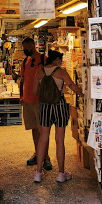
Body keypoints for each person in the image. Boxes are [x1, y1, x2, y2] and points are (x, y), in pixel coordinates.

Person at [33, 50, 84, 183]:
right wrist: (83, 93)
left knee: (43, 138)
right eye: (60, 60)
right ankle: (61, 173)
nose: (60, 63)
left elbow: (34, 91)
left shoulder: (39, 72)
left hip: (44, 106)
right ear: (56, 60)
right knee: (59, 139)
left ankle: (38, 172)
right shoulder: (61, 72)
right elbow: (72, 87)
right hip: (59, 106)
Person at [20, 37, 52, 171]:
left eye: (26, 47)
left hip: (41, 102)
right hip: (27, 101)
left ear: (33, 45)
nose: (25, 50)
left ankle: (46, 156)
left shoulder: (44, 59)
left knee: (43, 130)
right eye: (23, 48)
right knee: (34, 129)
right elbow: (22, 80)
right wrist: (20, 96)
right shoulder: (24, 62)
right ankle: (37, 153)